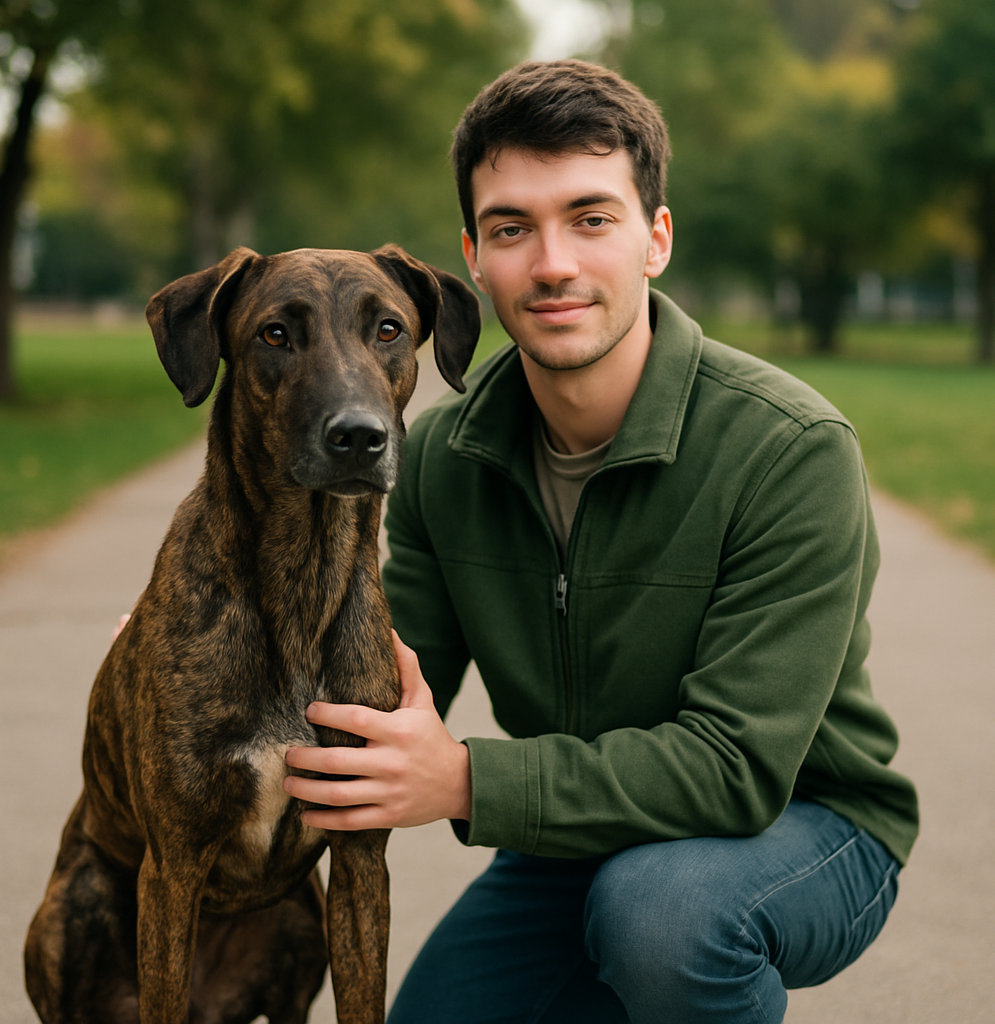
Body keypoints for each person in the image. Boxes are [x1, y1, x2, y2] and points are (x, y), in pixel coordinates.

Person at [282, 59, 919, 1023]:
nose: (552, 264)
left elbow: (734, 769)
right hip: (572, 837)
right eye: (511, 229)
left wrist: (461, 780)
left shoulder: (792, 451)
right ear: (475, 256)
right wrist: (221, 651)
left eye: (591, 218)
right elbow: (379, 683)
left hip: (807, 821)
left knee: (661, 920)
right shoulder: (444, 460)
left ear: (655, 239)